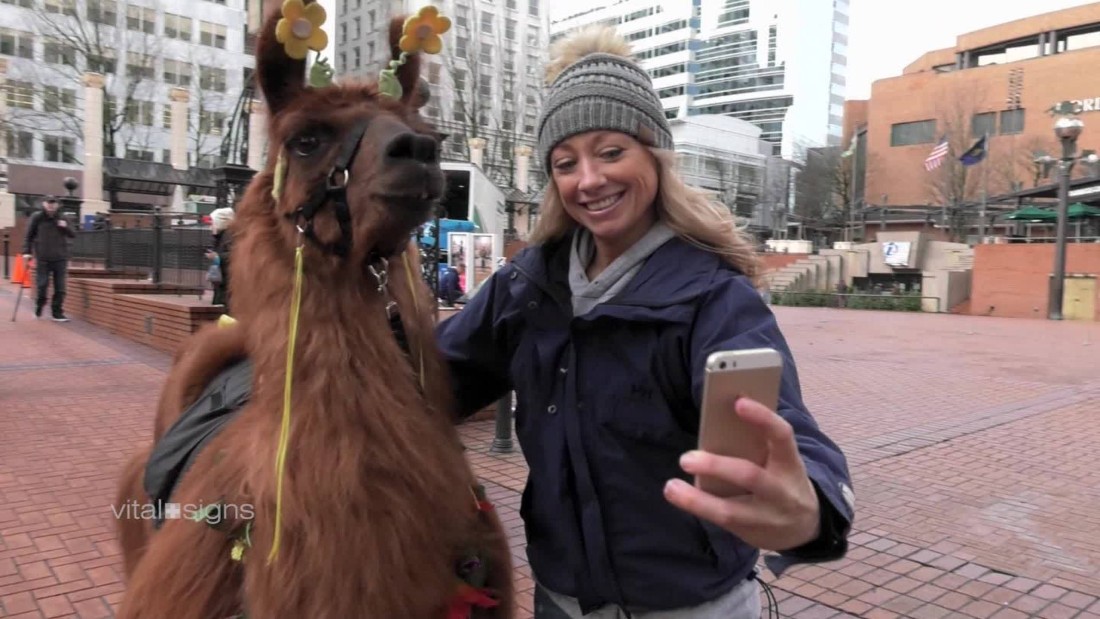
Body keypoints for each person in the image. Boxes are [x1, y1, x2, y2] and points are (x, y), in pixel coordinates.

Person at [435, 25, 854, 619]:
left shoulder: (713, 296)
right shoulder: (526, 286)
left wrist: (810, 505)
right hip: (559, 600)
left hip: (687, 606)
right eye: (565, 162)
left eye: (611, 151)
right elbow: (432, 376)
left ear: (653, 154)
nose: (589, 179)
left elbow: (785, 428)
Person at [22, 195, 75, 322]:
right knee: (42, 285)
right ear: (44, 204)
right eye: (49, 203)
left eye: (53, 203)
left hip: (60, 258)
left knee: (60, 288)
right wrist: (27, 252)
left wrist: (65, 227)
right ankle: (39, 305)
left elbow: (73, 234)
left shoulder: (63, 218)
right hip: (43, 258)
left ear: (57, 205)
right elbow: (28, 236)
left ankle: (57, 313)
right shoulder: (37, 217)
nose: (51, 205)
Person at [205, 207, 234, 312]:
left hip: (228, 283)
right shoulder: (219, 237)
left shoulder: (230, 236)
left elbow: (235, 256)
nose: (210, 228)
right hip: (222, 282)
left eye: (212, 223)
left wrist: (217, 257)